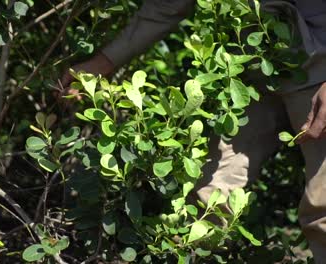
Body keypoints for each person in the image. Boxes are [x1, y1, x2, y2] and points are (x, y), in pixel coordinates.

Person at [60, 0, 326, 262]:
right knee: (211, 198)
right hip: (255, 67)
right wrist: (105, 62)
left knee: (322, 208)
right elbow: (169, 4)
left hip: (319, 65)